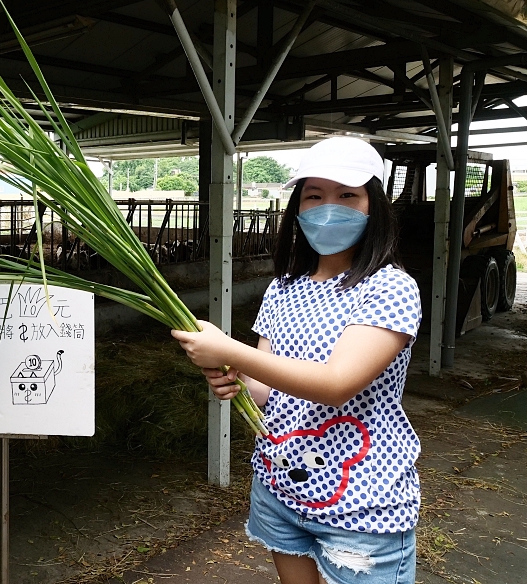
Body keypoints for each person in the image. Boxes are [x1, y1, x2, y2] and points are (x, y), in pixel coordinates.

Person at [173, 137, 421, 584]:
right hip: (279, 486)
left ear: (375, 206)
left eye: (347, 194)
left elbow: (336, 383)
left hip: (360, 500)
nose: (329, 207)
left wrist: (229, 350)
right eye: (314, 195)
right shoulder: (284, 288)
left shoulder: (390, 287)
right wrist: (234, 377)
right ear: (297, 208)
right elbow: (268, 388)